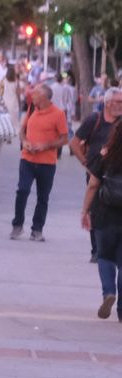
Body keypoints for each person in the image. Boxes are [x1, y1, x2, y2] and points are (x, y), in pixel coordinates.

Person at [72, 87, 122, 263]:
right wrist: (86, 164)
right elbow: (74, 143)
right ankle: (97, 249)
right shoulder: (95, 119)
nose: (121, 105)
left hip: (117, 176)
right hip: (96, 173)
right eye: (119, 102)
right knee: (95, 210)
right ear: (107, 103)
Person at [13, 84, 68, 241]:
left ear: (44, 97)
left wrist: (45, 146)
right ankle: (17, 225)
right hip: (27, 159)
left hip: (46, 163)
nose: (32, 95)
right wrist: (25, 142)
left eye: (35, 93)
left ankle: (37, 229)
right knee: (22, 191)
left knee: (42, 197)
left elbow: (64, 139)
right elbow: (22, 131)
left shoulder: (58, 114)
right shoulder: (31, 108)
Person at [80, 126, 122, 321]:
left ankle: (108, 293)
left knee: (104, 256)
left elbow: (93, 184)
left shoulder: (105, 156)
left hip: (105, 212)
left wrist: (85, 210)